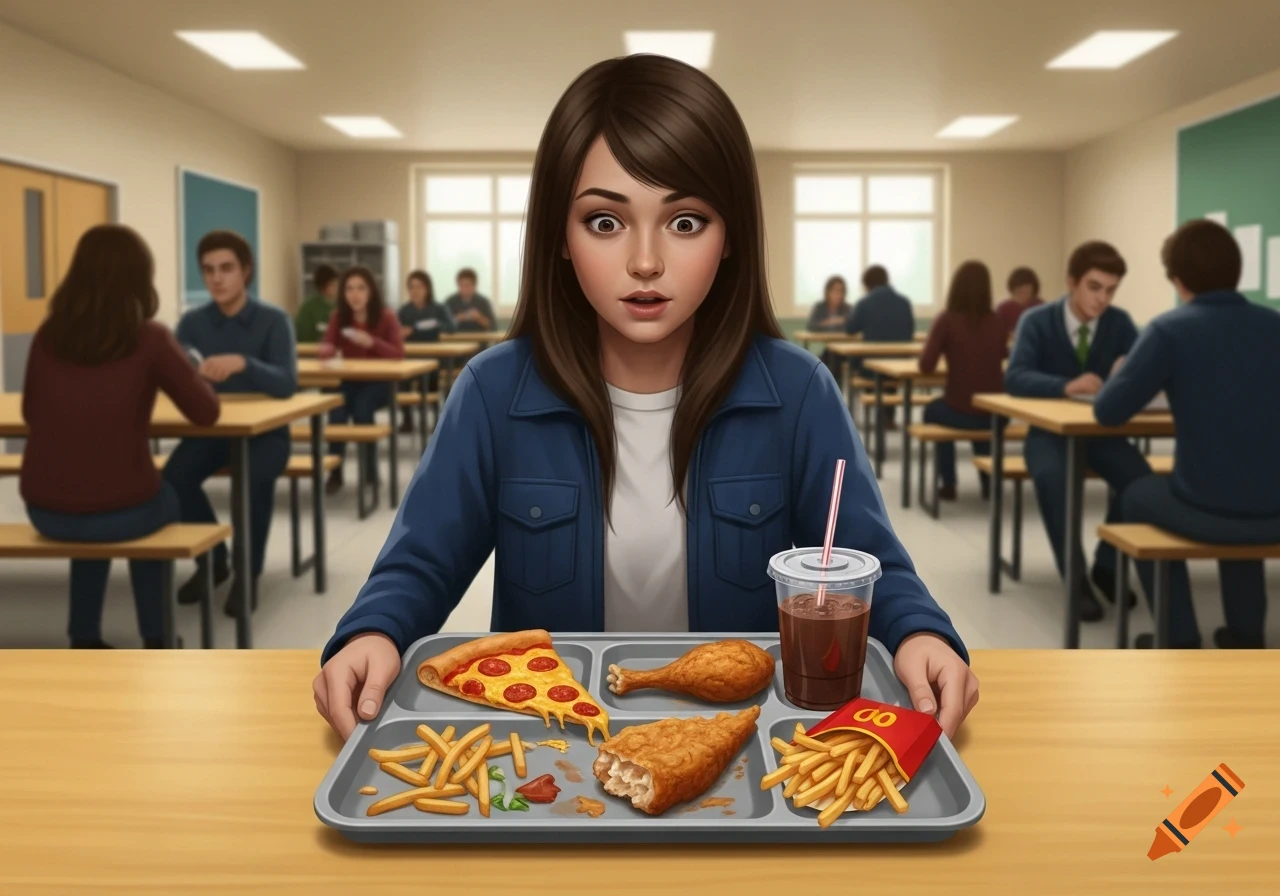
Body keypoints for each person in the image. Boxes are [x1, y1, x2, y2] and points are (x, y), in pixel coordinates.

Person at [313, 54, 977, 743]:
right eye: (605, 222)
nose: (646, 262)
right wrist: (374, 633)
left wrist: (920, 632)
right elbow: (419, 564)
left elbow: (872, 563)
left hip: (747, 752)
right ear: (560, 241)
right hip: (555, 752)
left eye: (686, 222)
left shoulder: (800, 391)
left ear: (730, 241)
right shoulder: (491, 391)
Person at [20, 225, 221, 648]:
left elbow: (29, 413)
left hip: (44, 510)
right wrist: (190, 368)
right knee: (159, 501)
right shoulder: (149, 337)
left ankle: (84, 634)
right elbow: (205, 412)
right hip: (123, 511)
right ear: (138, 277)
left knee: (89, 499)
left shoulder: (49, 334)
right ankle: (157, 634)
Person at [1096, 220, 1280, 649]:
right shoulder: (1275, 325)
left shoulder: (1170, 330)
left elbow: (1108, 413)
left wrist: (1123, 376)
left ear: (1178, 280)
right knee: (1245, 482)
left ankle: (1178, 636)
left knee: (1137, 495)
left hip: (1208, 508)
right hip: (1274, 508)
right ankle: (1246, 631)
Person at [1005, 241, 1149, 622]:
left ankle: (1107, 564)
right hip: (1049, 434)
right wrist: (1065, 386)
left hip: (1102, 433)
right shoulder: (1036, 320)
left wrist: (1128, 375)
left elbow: (1145, 374)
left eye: (1111, 290)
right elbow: (1015, 377)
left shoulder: (1120, 323)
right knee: (1053, 478)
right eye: (1094, 287)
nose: (1103, 298)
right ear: (1072, 282)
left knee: (1140, 479)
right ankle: (1076, 577)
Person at [166, 230, 297, 618]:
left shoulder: (274, 320)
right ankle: (213, 560)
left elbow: (287, 384)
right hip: (213, 431)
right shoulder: (191, 323)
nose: (216, 278)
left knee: (253, 480)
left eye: (226, 268)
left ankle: (246, 574)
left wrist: (245, 363)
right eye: (208, 270)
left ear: (246, 272)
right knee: (173, 478)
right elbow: (175, 381)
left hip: (268, 434)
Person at [918, 261, 1010, 500]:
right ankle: (989, 483)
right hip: (996, 415)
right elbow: (1004, 354)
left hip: (958, 410)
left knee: (933, 411)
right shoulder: (998, 321)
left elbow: (926, 366)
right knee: (982, 414)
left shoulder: (946, 320)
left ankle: (948, 483)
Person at [318, 266, 405, 494]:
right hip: (349, 382)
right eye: (349, 289)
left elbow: (398, 353)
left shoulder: (386, 316)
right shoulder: (339, 316)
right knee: (336, 412)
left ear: (371, 292)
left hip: (380, 384)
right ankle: (335, 473)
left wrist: (372, 342)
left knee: (362, 408)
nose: (355, 294)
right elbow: (327, 346)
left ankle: (370, 472)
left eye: (361, 288)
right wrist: (326, 350)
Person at [845, 265, 915, 429]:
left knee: (863, 363)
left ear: (867, 285)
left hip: (872, 367)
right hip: (900, 365)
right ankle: (887, 417)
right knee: (889, 369)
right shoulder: (904, 302)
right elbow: (910, 331)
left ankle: (879, 413)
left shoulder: (865, 303)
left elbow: (850, 329)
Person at [396, 269, 455, 433]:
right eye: (411, 287)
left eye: (419, 286)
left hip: (432, 359)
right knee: (402, 381)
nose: (415, 291)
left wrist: (435, 325)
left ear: (427, 288)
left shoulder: (438, 308)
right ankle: (407, 420)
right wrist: (401, 332)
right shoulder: (404, 310)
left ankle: (436, 420)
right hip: (409, 359)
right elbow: (394, 331)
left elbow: (452, 326)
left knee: (432, 381)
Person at [806, 275, 851, 376]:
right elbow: (811, 326)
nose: (838, 294)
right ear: (828, 292)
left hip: (844, 349)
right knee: (825, 358)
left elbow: (851, 328)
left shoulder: (847, 308)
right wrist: (830, 322)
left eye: (841, 291)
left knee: (833, 358)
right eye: (835, 290)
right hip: (829, 349)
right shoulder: (820, 307)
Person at [294, 265, 339, 344]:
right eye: (332, 285)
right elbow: (302, 335)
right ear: (322, 286)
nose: (337, 287)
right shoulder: (309, 307)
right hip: (313, 351)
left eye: (338, 284)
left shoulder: (343, 305)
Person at [444, 268, 496, 333]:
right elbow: (443, 326)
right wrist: (457, 319)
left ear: (474, 286)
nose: (464, 289)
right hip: (456, 341)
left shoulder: (483, 302)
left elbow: (493, 327)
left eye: (467, 285)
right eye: (461, 285)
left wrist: (480, 318)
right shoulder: (450, 301)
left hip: (480, 340)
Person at [995, 267, 1043, 334]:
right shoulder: (1003, 308)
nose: (1022, 290)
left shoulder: (1041, 308)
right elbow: (997, 333)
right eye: (1019, 287)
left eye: (1026, 286)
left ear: (1033, 288)